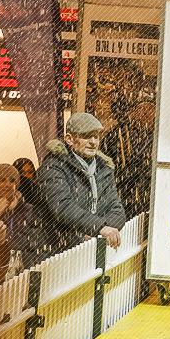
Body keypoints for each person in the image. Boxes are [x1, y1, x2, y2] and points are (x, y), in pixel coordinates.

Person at [28, 112, 127, 265]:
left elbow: (117, 210)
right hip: (54, 253)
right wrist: (98, 228)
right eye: (86, 136)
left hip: (87, 253)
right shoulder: (53, 166)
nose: (93, 142)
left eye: (96, 137)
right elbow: (62, 207)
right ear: (69, 139)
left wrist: (97, 231)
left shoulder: (104, 169)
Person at [104, 86, 156, 216]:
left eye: (151, 110)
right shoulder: (118, 134)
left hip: (145, 196)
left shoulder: (156, 136)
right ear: (133, 111)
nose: (148, 114)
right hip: (123, 194)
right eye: (143, 109)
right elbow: (106, 165)